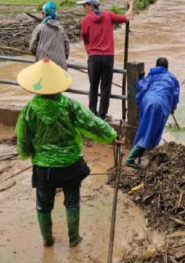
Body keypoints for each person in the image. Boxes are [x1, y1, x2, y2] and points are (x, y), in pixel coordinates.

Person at [15, 57, 118, 248]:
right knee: (72, 201)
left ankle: (47, 240)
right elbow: (92, 122)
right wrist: (112, 135)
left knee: (43, 204)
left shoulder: (29, 110)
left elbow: (23, 140)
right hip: (70, 165)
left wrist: (28, 153)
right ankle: (73, 239)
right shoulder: (69, 105)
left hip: (44, 168)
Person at [77, 0, 133, 121]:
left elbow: (85, 39)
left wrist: (89, 52)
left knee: (93, 87)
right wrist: (131, 5)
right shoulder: (108, 16)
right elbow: (127, 17)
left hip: (94, 57)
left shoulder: (85, 21)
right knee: (105, 88)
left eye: (84, 5)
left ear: (91, 6)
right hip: (108, 57)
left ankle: (92, 114)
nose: (83, 8)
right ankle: (102, 115)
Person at [125, 58, 180, 169]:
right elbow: (175, 96)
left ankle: (144, 155)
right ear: (167, 68)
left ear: (156, 66)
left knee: (145, 128)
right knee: (150, 132)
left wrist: (140, 77)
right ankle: (130, 159)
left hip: (147, 101)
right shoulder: (172, 79)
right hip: (159, 104)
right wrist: (173, 108)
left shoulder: (152, 74)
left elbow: (141, 85)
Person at [29, 1, 70, 69]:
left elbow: (32, 47)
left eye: (42, 13)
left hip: (43, 64)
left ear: (44, 14)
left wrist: (40, 55)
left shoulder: (39, 28)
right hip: (59, 67)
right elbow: (67, 48)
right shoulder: (61, 28)